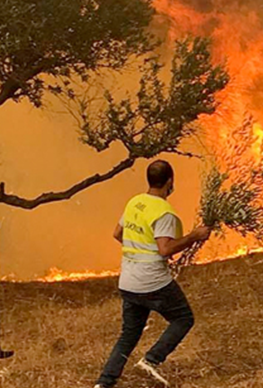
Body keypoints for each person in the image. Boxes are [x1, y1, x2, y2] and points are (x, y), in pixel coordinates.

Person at [94, 160, 212, 388]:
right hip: (152, 281)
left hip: (128, 280)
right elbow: (165, 249)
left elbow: (118, 233)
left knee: (129, 334)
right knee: (183, 318)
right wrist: (194, 236)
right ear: (170, 182)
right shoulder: (164, 212)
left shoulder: (135, 203)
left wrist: (138, 250)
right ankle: (151, 360)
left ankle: (104, 383)